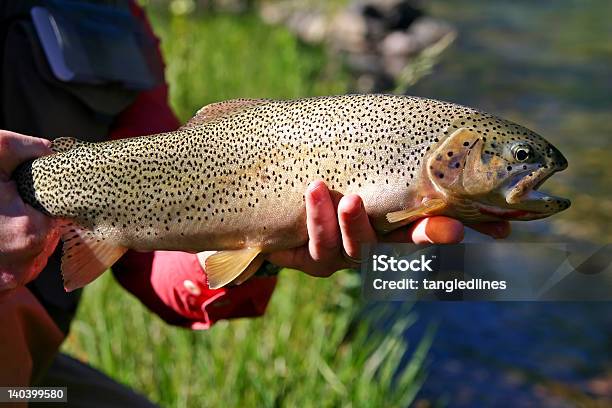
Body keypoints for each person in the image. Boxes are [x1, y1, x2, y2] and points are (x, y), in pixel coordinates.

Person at [0, 1, 510, 405]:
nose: (521, 171)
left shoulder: (110, 17)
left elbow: (152, 253)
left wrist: (260, 248)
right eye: (516, 158)